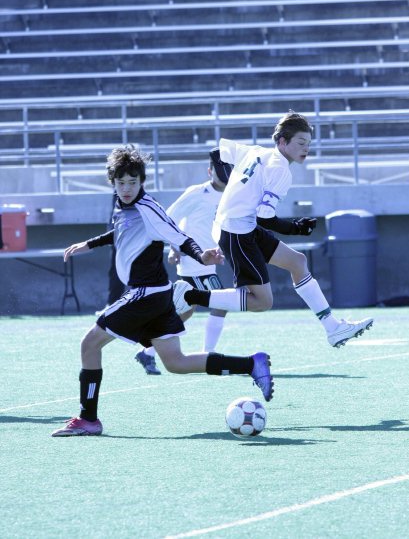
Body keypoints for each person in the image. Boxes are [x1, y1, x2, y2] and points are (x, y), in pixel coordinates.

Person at [51, 145, 274, 437]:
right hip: (157, 297)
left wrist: (201, 256)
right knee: (176, 363)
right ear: (113, 183)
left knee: (89, 345)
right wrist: (88, 244)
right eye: (121, 183)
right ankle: (250, 364)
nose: (127, 188)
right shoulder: (125, 207)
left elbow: (178, 236)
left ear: (142, 181)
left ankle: (88, 419)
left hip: (146, 294)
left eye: (133, 182)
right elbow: (120, 231)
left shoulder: (147, 208)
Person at [181, 111, 374, 348]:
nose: (306, 149)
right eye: (301, 142)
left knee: (297, 262)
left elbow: (219, 151)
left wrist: (237, 189)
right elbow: (266, 218)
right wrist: (296, 228)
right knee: (262, 302)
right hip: (238, 233)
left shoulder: (255, 151)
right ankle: (189, 296)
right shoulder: (281, 170)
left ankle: (333, 328)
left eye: (309, 144)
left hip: (236, 226)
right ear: (282, 141)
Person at [134, 147, 232, 375]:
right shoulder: (197, 193)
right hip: (193, 260)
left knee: (185, 310)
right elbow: (168, 219)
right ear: (210, 171)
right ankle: (209, 355)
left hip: (208, 262)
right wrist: (174, 248)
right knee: (221, 303)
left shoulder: (232, 196)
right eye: (220, 171)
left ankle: (147, 351)